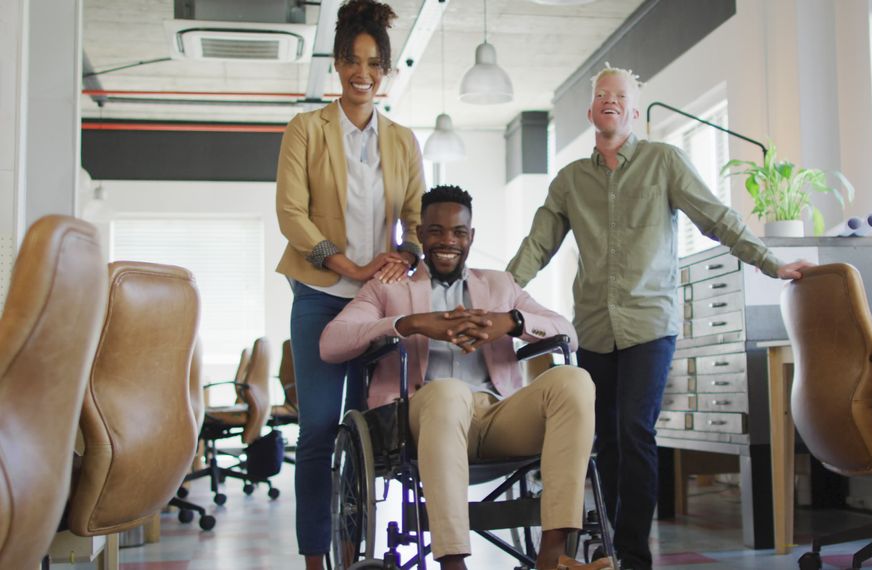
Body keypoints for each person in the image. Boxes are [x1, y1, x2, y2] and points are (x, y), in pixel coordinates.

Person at [506, 65, 812, 570]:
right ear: (590, 112)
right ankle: (605, 545)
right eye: (601, 94)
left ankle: (632, 555)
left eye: (619, 95)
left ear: (633, 111)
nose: (609, 100)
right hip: (595, 328)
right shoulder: (569, 181)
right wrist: (498, 295)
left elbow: (716, 217)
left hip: (649, 323)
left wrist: (770, 261)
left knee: (634, 430)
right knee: (603, 439)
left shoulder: (663, 161)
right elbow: (537, 245)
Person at [320, 186, 612, 570]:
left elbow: (567, 332)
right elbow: (330, 344)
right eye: (437, 231)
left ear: (470, 237)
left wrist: (511, 322)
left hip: (497, 416)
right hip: (424, 417)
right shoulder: (388, 288)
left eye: (458, 233)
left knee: (575, 380)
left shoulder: (499, 286)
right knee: (449, 392)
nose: (448, 242)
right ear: (420, 234)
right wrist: (409, 324)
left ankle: (553, 557)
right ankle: (453, 563)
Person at [274, 1, 425, 567]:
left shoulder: (403, 140)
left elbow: (415, 216)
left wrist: (405, 255)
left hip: (375, 305)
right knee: (317, 431)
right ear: (337, 65)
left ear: (385, 71)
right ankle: (316, 557)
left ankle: (356, 548)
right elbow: (292, 213)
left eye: (374, 64)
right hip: (318, 295)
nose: (363, 73)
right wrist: (348, 265)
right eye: (353, 61)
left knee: (371, 434)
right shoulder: (306, 129)